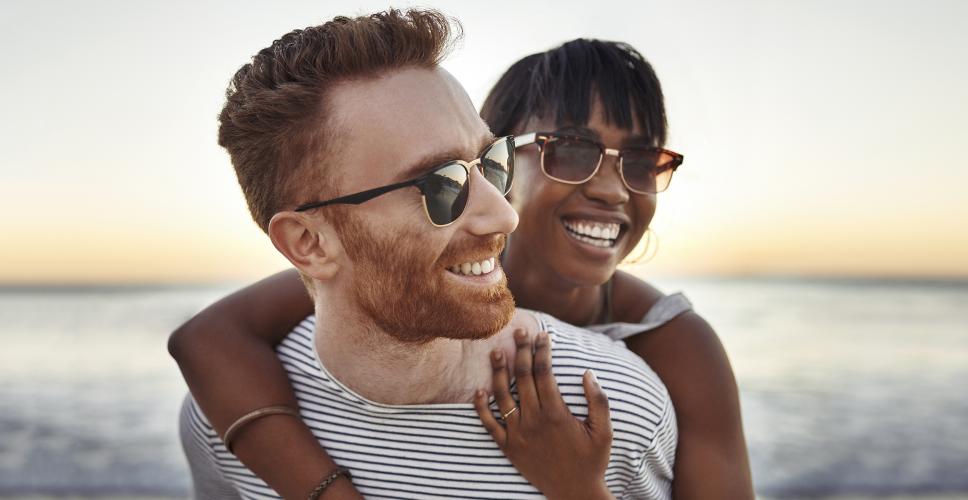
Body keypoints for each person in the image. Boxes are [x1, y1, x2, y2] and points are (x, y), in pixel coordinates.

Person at [173, 9, 679, 499]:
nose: (504, 216)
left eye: (491, 163)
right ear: (309, 243)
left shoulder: (613, 410)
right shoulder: (227, 417)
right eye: (440, 185)